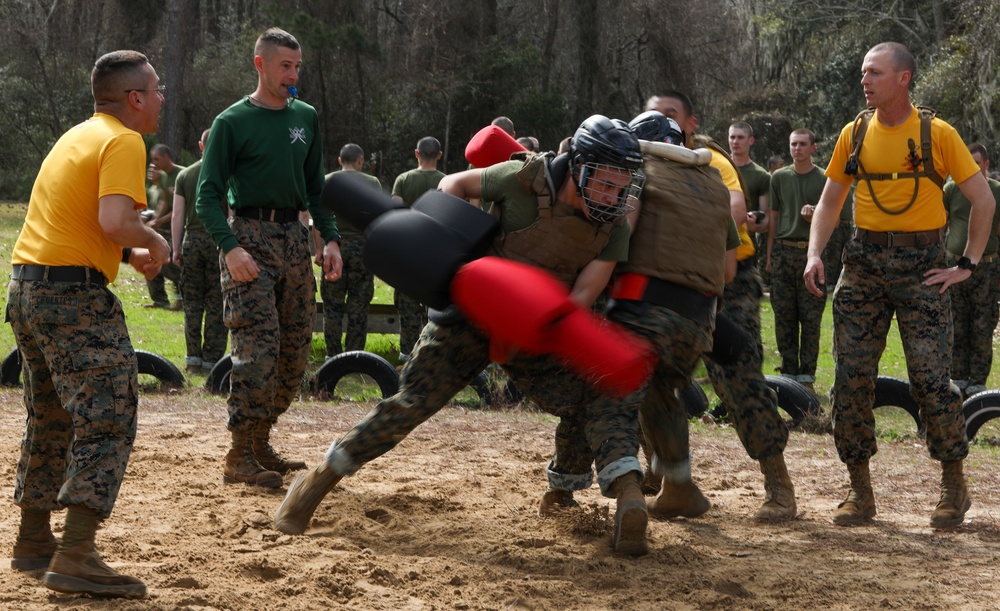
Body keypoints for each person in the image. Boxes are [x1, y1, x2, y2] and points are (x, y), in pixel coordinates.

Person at [275, 116, 654, 555]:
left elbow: (582, 296)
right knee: (411, 403)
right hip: (469, 314)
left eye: (620, 187)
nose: (612, 197)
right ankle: (319, 480)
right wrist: (453, 247)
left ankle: (616, 496)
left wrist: (527, 325)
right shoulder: (522, 179)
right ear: (579, 167)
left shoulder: (612, 228)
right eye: (604, 184)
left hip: (533, 324)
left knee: (595, 393)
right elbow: (453, 184)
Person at [804, 42, 995, 528]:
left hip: (923, 266)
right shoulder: (855, 132)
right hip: (863, 263)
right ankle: (859, 491)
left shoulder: (937, 133)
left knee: (932, 381)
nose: (864, 81)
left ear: (903, 78)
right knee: (850, 380)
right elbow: (829, 203)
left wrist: (967, 264)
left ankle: (953, 485)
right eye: (863, 72)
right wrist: (813, 254)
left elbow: (982, 200)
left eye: (874, 73)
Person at [7, 49, 170, 598]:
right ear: (135, 99)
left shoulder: (77, 135)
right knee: (107, 415)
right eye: (156, 89)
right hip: (73, 298)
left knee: (51, 414)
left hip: (27, 288)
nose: (162, 99)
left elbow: (76, 224)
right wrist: (153, 240)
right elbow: (115, 220)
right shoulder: (125, 139)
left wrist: (124, 256)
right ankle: (76, 552)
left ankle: (34, 540)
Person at [196, 27, 342, 489]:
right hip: (249, 239)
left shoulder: (307, 117)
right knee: (257, 351)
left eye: (298, 66)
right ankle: (239, 454)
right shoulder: (231, 122)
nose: (293, 74)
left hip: (295, 240)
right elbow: (207, 196)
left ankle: (261, 442)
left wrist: (330, 239)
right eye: (285, 65)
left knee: (294, 354)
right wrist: (231, 247)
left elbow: (316, 188)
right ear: (260, 64)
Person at [646, 91, 796, 522]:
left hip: (729, 280)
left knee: (737, 378)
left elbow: (734, 211)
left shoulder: (708, 161)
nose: (662, 123)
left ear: (690, 124)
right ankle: (666, 477)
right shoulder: (641, 164)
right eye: (654, 114)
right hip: (670, 281)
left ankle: (779, 485)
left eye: (670, 115)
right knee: (646, 373)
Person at [766, 128, 827, 393]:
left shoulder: (825, 178)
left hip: (810, 254)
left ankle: (807, 379)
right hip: (783, 251)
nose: (797, 149)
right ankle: (789, 375)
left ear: (813, 147)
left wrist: (817, 216)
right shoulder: (779, 177)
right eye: (793, 144)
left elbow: (838, 220)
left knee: (811, 319)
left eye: (802, 144)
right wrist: (768, 256)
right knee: (784, 316)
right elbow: (774, 219)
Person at [943, 143, 1000, 398]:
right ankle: (958, 379)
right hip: (953, 267)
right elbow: (941, 223)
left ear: (986, 164)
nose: (972, 168)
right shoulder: (952, 189)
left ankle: (977, 383)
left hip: (986, 269)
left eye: (977, 163)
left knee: (982, 326)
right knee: (956, 325)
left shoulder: (996, 191)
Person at [171, 129, 228, 373]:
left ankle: (193, 360)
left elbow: (176, 215)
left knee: (192, 304)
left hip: (192, 240)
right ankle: (212, 361)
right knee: (218, 302)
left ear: (200, 146)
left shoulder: (184, 174)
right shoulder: (227, 175)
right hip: (219, 240)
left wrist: (176, 248)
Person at [320, 143, 379, 359]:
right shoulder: (372, 182)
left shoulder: (327, 181)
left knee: (332, 305)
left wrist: (320, 249)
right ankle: (355, 354)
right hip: (362, 248)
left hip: (334, 245)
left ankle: (332, 355)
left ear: (339, 160)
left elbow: (319, 218)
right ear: (361, 160)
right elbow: (377, 217)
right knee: (359, 305)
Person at [390, 136, 445, 361]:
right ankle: (432, 350)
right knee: (434, 307)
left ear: (416, 154)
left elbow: (393, 213)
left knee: (407, 305)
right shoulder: (446, 180)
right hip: (436, 251)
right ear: (439, 155)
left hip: (408, 249)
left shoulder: (403, 179)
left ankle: (406, 353)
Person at [144, 143, 184, 309]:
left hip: (182, 228)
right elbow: (164, 201)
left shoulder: (181, 174)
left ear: (166, 157)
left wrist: (159, 221)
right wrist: (154, 222)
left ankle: (182, 298)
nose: (154, 163)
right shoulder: (164, 177)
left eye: (157, 159)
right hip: (166, 227)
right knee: (151, 260)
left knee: (172, 265)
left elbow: (181, 207)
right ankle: (160, 300)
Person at [729, 121, 772, 273]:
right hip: (716, 240)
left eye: (740, 137)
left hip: (746, 245)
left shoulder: (761, 176)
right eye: (732, 137)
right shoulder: (717, 167)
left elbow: (766, 218)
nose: (735, 142)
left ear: (751, 140)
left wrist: (755, 225)